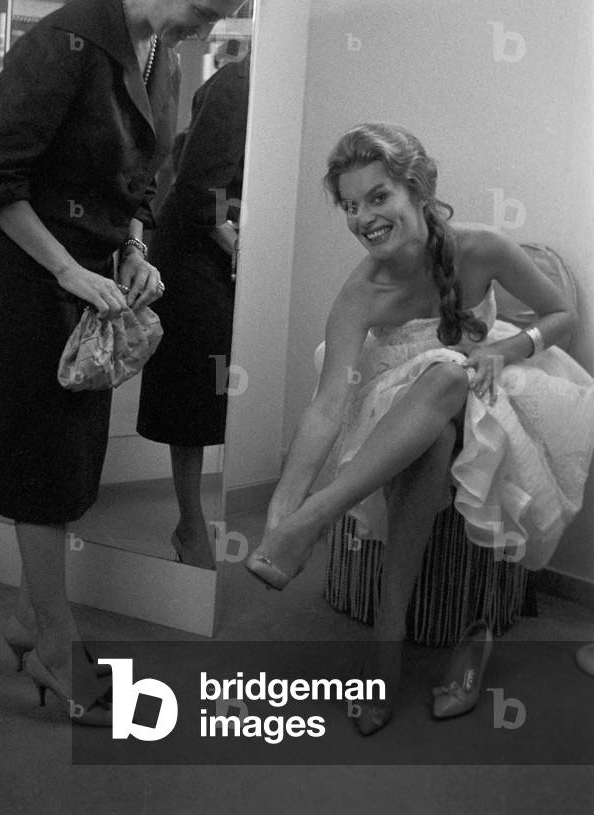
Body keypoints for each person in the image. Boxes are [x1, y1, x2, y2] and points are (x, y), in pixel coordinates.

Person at [0, 0, 263, 725]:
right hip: (24, 271)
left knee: (72, 452)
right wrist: (68, 267)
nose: (207, 29)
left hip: (89, 270)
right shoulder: (64, 43)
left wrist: (131, 245)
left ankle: (26, 618)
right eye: (206, 10)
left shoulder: (160, 52)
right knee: (41, 458)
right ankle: (57, 649)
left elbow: (138, 180)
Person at [246, 122, 594, 734]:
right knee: (432, 439)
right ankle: (386, 643)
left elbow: (560, 313)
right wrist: (280, 508)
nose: (363, 218)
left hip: (488, 387)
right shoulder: (361, 292)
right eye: (350, 206)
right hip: (396, 409)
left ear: (420, 188)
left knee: (450, 373)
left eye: (378, 196)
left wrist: (508, 350)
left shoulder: (483, 247)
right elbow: (327, 407)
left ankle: (321, 528)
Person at [137, 47, 251, 568]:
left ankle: (193, 521)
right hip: (195, 255)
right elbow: (202, 185)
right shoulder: (239, 82)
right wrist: (238, 247)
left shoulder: (266, 87)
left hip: (218, 250)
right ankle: (190, 523)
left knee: (217, 388)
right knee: (195, 391)